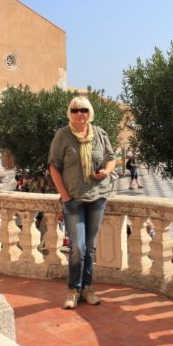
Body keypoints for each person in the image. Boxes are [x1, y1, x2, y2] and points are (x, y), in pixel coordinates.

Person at [48, 96, 116, 310]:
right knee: (77, 247)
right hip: (74, 199)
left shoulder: (100, 134)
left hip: (97, 197)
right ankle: (73, 290)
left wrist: (106, 171)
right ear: (70, 113)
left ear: (90, 113)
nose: (80, 114)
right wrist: (65, 196)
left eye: (84, 110)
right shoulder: (62, 136)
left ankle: (87, 288)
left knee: (91, 247)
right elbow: (54, 167)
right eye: (76, 110)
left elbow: (111, 157)